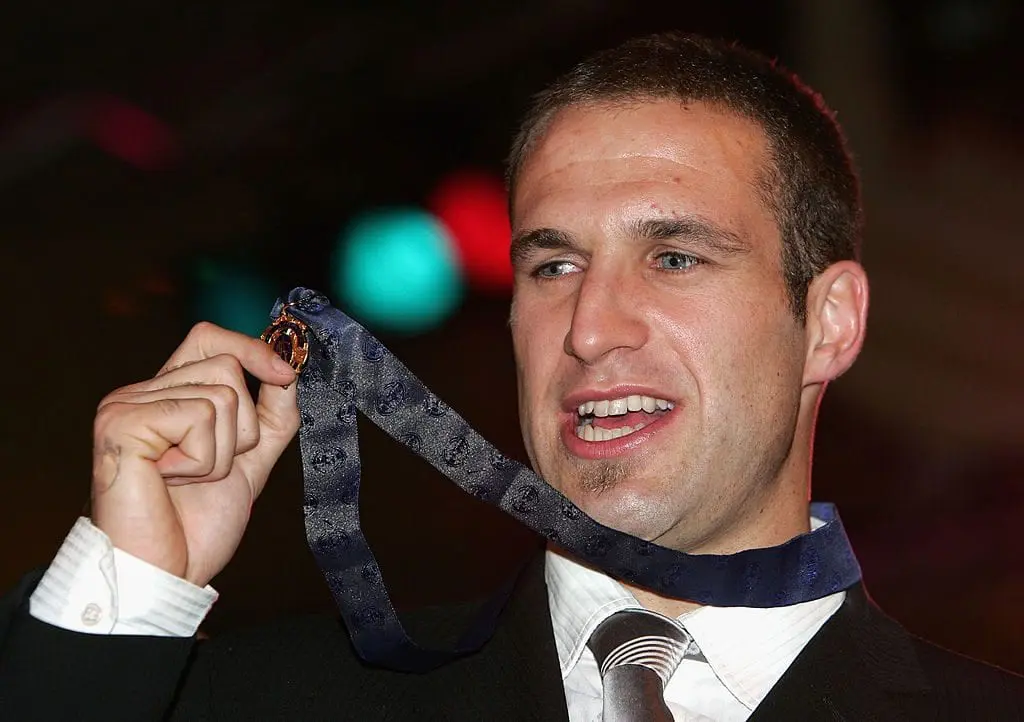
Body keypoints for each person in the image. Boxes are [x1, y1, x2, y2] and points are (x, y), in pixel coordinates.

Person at [1, 31, 1022, 722]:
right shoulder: (283, 696)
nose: (588, 326)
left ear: (828, 322)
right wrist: (134, 587)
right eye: (552, 264)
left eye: (673, 257)